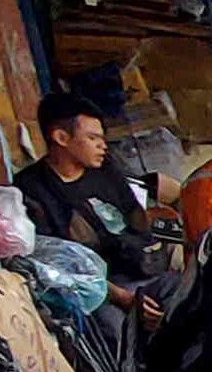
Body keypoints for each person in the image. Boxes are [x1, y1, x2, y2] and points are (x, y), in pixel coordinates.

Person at [14, 90, 172, 323]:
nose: (103, 146)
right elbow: (56, 262)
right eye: (93, 138)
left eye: (102, 138)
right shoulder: (32, 189)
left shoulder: (106, 170)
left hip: (138, 270)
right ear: (61, 138)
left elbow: (136, 221)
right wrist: (121, 297)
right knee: (115, 330)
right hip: (92, 290)